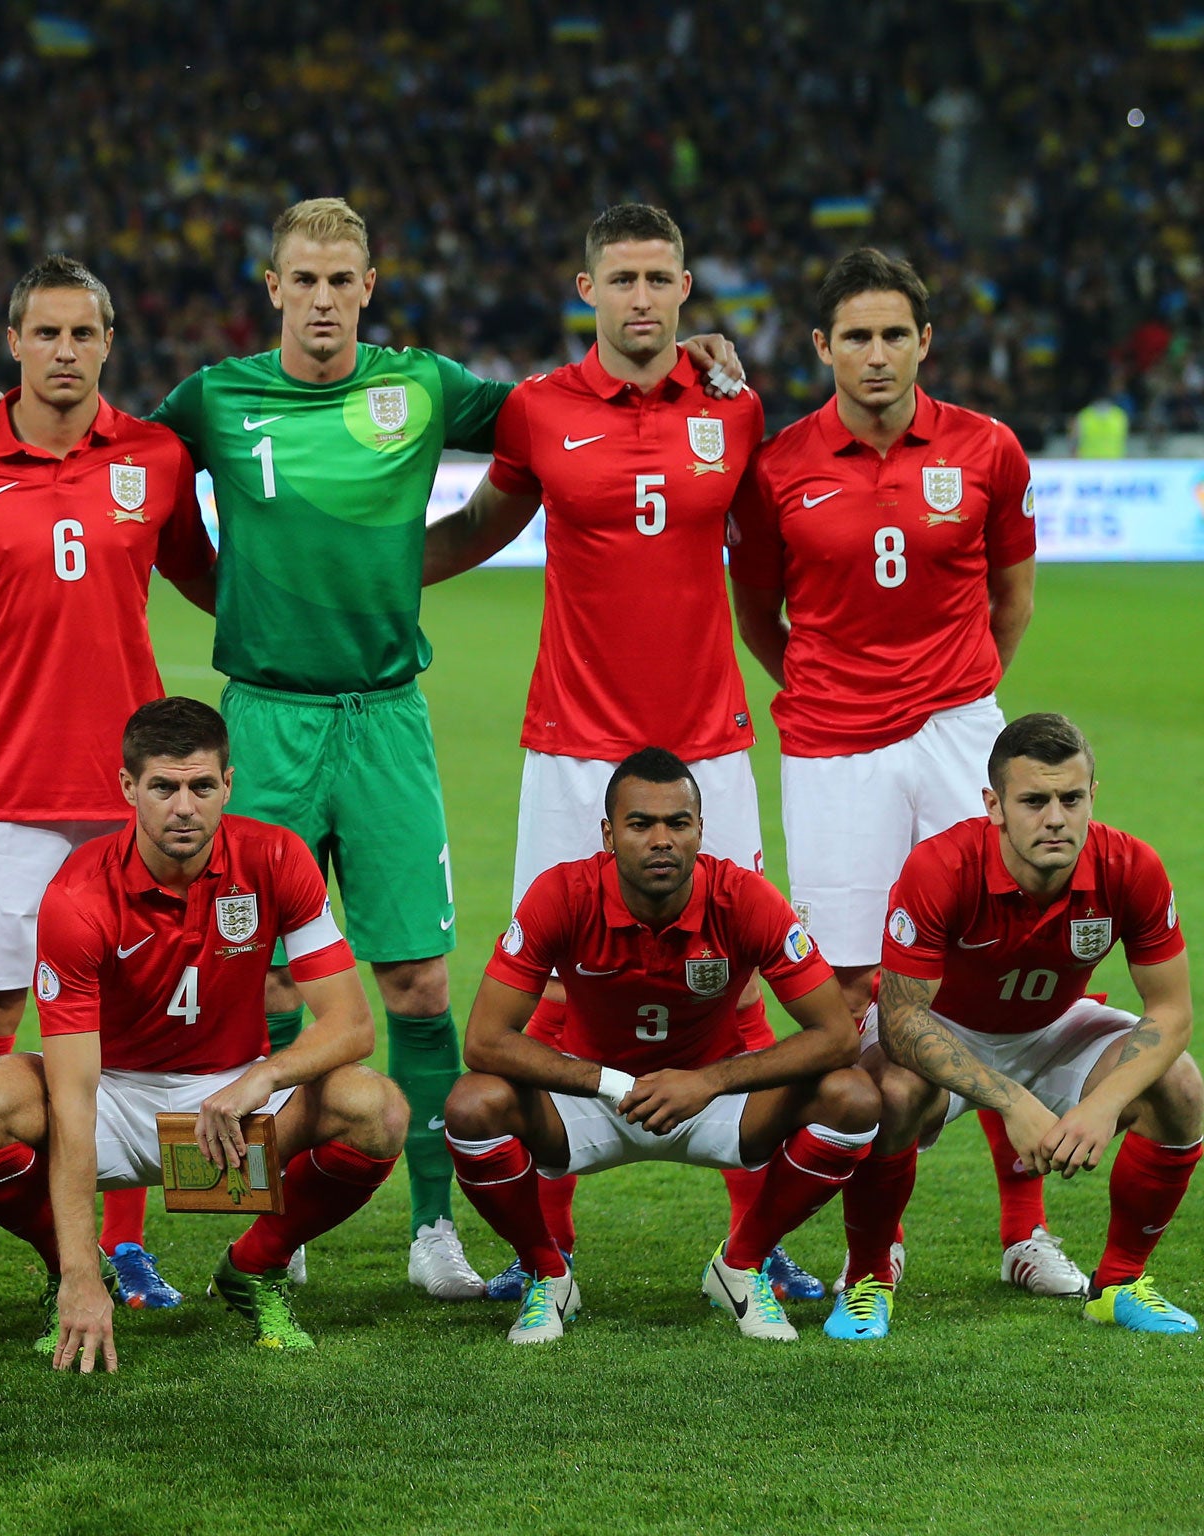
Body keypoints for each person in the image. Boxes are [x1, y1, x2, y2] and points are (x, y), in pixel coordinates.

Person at [0, 199, 733, 1298]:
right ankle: (271, 1226)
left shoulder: (422, 389)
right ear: (272, 289)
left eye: (339, 281)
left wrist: (682, 359)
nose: (320, 300)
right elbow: (124, 461)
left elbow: (560, 413)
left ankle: (429, 1232)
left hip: (385, 718)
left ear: (369, 287)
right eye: (301, 281)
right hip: (263, 716)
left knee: (412, 981)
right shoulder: (213, 400)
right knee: (254, 980)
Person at [420, 203, 813, 1300]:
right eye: (620, 277)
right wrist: (365, 576)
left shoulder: (732, 408)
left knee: (730, 980)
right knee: (549, 992)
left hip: (710, 748)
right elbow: (477, 529)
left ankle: (752, 1249)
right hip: (568, 750)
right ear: (584, 288)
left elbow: (776, 558)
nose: (640, 296)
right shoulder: (539, 411)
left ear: (686, 288)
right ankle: (547, 1258)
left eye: (657, 277)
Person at [0, 255, 217, 1313]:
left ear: (109, 343)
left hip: (130, 794)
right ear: (11, 344)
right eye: (45, 335)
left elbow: (210, 581)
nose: (64, 353)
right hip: (1, 788)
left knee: (141, 1022)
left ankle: (129, 1245)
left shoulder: (155, 458)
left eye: (83, 335)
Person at [728, 249, 1067, 1295]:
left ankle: (1024, 1233)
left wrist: (956, 704)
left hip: (959, 733)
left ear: (924, 342)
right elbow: (757, 615)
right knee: (852, 993)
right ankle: (874, 1252)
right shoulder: (779, 464)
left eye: (893, 336)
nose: (874, 356)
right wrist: (834, 691)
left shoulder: (985, 449)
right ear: (820, 347)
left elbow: (1008, 599)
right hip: (832, 748)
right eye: (853, 337)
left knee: (1002, 964)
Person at [0, 698, 407, 1366]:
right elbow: (73, 1096)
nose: (183, 807)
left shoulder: (276, 857)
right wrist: (76, 1269)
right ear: (129, 788)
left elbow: (352, 1025)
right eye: (163, 787)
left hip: (234, 1099)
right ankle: (73, 1272)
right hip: (113, 1098)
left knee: (377, 1110)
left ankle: (255, 1267)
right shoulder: (78, 896)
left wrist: (263, 1078)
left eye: (201, 787)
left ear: (228, 787)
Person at [444, 748, 880, 1344]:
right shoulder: (561, 893)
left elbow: (836, 1035)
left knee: (853, 1098)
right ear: (608, 833)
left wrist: (708, 1081)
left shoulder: (745, 897)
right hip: (595, 1100)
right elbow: (484, 1041)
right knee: (472, 1106)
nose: (661, 840)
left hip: (711, 1098)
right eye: (640, 823)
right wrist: (607, 1081)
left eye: (678, 823)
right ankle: (549, 1273)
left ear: (700, 829)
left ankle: (741, 1264)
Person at [827, 714, 1197, 1340]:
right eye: (1034, 801)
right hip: (943, 1026)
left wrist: (1104, 1106)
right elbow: (901, 1019)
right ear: (994, 806)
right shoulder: (940, 867)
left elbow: (1171, 1011)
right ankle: (869, 1278)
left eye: (1070, 799)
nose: (1055, 817)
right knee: (890, 1094)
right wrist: (1012, 1100)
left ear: (1091, 798)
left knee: (1181, 1088)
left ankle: (1119, 1285)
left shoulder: (1130, 865)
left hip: (1054, 1025)